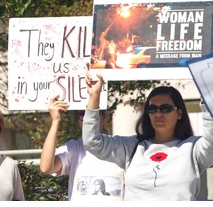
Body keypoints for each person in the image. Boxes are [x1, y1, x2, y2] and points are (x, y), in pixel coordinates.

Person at [82, 63, 213, 200]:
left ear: (179, 113)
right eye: (152, 109)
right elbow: (92, 142)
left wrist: (207, 87)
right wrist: (94, 96)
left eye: (165, 108)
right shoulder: (132, 147)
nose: (158, 114)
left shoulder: (194, 149)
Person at [40, 95, 124, 200]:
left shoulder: (120, 146)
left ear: (103, 116)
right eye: (82, 114)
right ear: (77, 120)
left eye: (93, 113)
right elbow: (46, 167)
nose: (88, 119)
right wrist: (55, 121)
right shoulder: (74, 148)